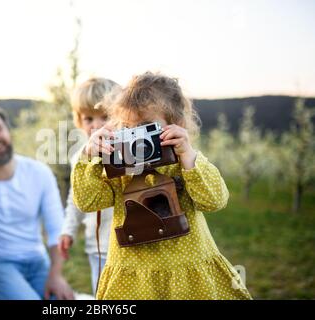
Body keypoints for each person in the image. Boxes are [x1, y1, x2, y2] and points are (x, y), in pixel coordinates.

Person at [71, 71, 252, 300]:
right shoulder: (121, 167)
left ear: (176, 125)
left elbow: (215, 201)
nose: (137, 139)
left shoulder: (184, 162)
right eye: (128, 129)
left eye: (146, 128)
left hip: (187, 275)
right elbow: (88, 202)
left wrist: (188, 158)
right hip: (134, 280)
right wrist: (90, 159)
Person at [0, 103, 74, 300]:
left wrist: (56, 275)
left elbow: (57, 229)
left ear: (7, 130)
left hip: (39, 263)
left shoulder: (39, 173)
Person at [58, 77, 119, 295]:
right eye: (88, 119)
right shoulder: (80, 159)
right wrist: (68, 230)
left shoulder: (128, 153)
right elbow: (75, 199)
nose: (96, 125)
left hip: (129, 245)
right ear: (78, 121)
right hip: (99, 249)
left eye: (105, 117)